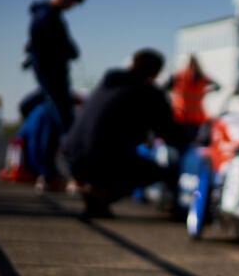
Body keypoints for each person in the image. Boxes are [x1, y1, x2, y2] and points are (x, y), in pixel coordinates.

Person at [62, 49, 187, 217]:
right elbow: (171, 133)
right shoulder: (148, 92)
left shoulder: (106, 84)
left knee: (117, 156)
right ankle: (102, 195)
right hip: (100, 157)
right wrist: (195, 143)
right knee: (161, 171)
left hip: (71, 156)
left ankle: (97, 193)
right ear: (156, 72)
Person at [25, 0, 86, 132]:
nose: (71, 7)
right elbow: (55, 47)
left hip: (51, 77)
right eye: (73, 2)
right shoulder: (47, 17)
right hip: (53, 77)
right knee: (62, 120)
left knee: (56, 117)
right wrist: (69, 51)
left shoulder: (48, 15)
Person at [165, 54, 219, 140]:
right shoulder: (202, 76)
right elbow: (217, 86)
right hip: (194, 116)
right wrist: (206, 91)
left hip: (181, 115)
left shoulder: (179, 75)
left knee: (181, 142)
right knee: (192, 143)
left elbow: (165, 88)